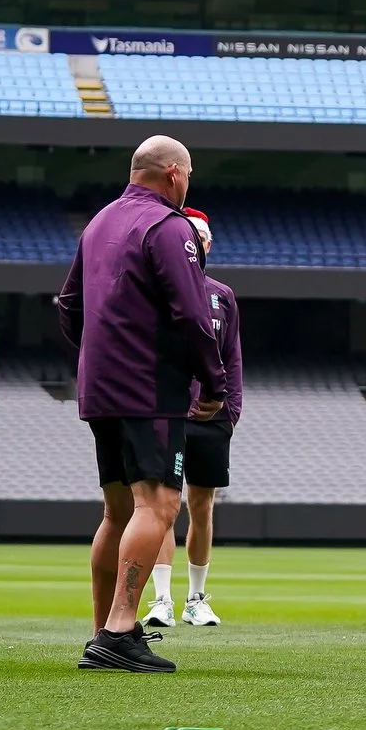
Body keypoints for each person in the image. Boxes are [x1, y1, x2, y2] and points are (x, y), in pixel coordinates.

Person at [57, 136, 225, 672]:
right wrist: (213, 381)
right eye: (189, 174)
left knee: (117, 510)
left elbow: (68, 304)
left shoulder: (99, 223)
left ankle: (101, 631)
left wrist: (97, 353)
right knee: (160, 505)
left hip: (101, 386)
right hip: (149, 386)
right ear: (174, 174)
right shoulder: (170, 227)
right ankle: (122, 628)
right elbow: (193, 313)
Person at [146, 208, 242, 630]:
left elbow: (232, 356)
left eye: (202, 237)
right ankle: (161, 599)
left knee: (201, 507)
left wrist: (231, 409)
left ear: (208, 244)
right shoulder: (158, 291)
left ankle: (196, 599)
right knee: (163, 507)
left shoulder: (223, 295)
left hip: (212, 416)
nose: (196, 243)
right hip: (169, 412)